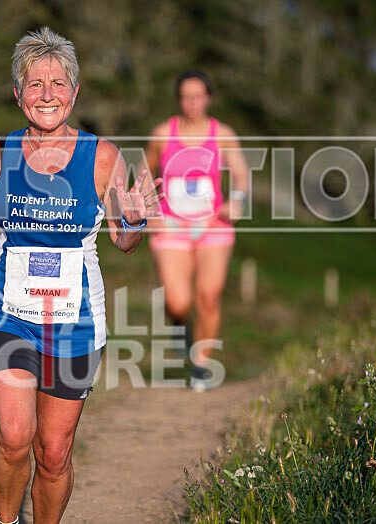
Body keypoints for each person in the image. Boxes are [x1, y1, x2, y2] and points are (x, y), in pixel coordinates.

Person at [0, 27, 162, 524]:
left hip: (75, 322)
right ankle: (5, 522)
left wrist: (132, 220)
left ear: (75, 93)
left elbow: (124, 242)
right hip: (8, 314)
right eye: (35, 83)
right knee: (14, 436)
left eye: (58, 83)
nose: (47, 94)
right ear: (18, 94)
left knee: (54, 452)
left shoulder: (102, 157)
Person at [144, 69, 250, 392]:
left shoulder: (223, 134)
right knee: (178, 301)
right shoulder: (163, 133)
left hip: (212, 225)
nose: (192, 103)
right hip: (172, 226)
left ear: (208, 98)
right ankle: (180, 323)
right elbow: (144, 173)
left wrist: (238, 200)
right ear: (179, 100)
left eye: (198, 96)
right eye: (186, 97)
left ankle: (202, 365)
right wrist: (149, 211)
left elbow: (242, 174)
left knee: (209, 294)